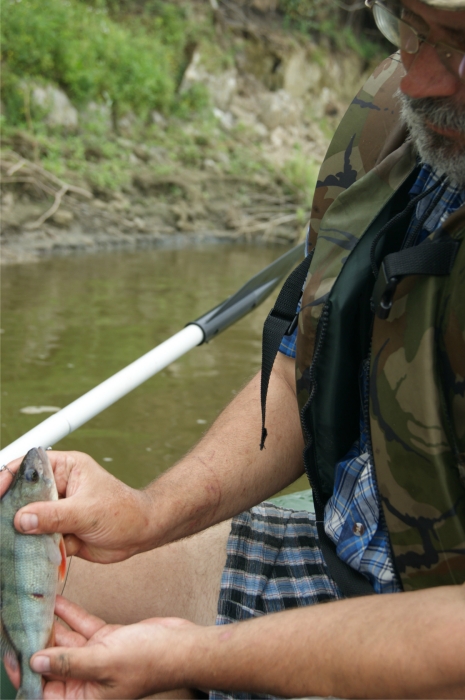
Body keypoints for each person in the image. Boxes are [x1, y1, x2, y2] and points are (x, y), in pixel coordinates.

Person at [2, 0, 465, 696]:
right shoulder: (399, 126)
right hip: (345, 560)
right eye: (408, 27)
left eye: (458, 41)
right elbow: (300, 376)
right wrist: (146, 515)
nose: (416, 78)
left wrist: (193, 658)